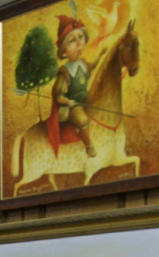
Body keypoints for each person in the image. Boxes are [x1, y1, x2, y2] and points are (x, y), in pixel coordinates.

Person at [51, 15, 98, 157]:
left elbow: (93, 66)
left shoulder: (83, 64)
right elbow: (58, 95)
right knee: (83, 120)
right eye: (71, 41)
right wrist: (67, 101)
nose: (79, 43)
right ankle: (89, 147)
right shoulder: (65, 72)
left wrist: (101, 55)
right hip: (73, 105)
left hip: (86, 99)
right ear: (64, 52)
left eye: (80, 37)